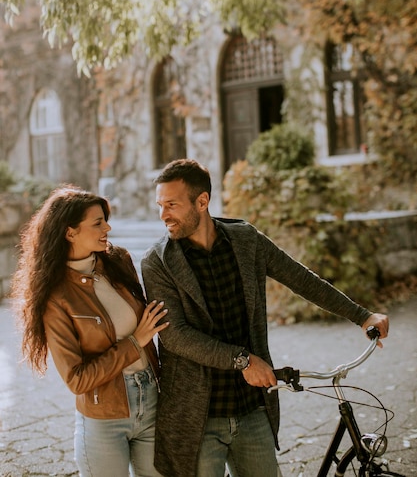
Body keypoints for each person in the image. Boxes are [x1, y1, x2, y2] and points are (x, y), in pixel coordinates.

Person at [141, 159, 390, 477]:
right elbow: (175, 335)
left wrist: (362, 315)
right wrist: (243, 360)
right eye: (160, 205)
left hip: (252, 408)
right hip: (197, 417)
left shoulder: (245, 240)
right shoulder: (158, 261)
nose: (163, 215)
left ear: (202, 201)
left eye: (172, 205)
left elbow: (301, 279)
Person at [12, 185, 169, 477]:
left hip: (152, 400)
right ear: (70, 232)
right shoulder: (57, 297)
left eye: (105, 220)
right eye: (97, 223)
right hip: (104, 417)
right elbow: (77, 379)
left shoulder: (118, 261)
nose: (107, 227)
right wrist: (135, 343)